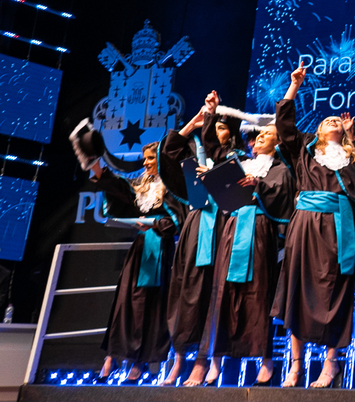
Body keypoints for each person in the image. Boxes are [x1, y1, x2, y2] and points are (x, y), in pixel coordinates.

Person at [272, 62, 355, 388]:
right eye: (326, 120)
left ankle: (330, 363)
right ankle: (295, 365)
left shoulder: (354, 159)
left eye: (337, 119)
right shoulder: (306, 149)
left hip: (338, 228)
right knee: (298, 289)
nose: (333, 119)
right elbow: (284, 124)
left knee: (334, 291)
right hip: (304, 227)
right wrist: (294, 85)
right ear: (319, 131)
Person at [89, 130, 191, 383]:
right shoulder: (141, 186)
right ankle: (112, 357)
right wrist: (95, 164)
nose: (145, 163)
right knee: (125, 304)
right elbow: (118, 189)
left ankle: (138, 363)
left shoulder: (173, 188)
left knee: (149, 307)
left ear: (161, 160)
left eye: (150, 158)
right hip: (139, 252)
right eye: (144, 159)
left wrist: (154, 224)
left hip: (160, 252)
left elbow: (179, 220)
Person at [204, 114, 295, 386]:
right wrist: (209, 115)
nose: (261, 136)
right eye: (260, 134)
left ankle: (266, 362)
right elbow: (214, 150)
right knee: (223, 292)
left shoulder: (281, 170)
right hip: (232, 230)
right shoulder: (241, 162)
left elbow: (282, 198)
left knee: (258, 294)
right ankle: (215, 361)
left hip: (259, 230)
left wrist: (259, 186)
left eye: (269, 134)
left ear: (278, 142)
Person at [159, 92, 238, 386]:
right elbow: (168, 152)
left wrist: (216, 176)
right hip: (195, 224)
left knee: (213, 293)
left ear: (230, 133)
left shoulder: (235, 157)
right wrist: (192, 124)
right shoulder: (193, 156)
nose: (213, 131)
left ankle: (206, 360)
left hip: (223, 226)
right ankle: (179, 358)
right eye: (211, 126)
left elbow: (239, 195)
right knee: (185, 292)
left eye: (220, 127)